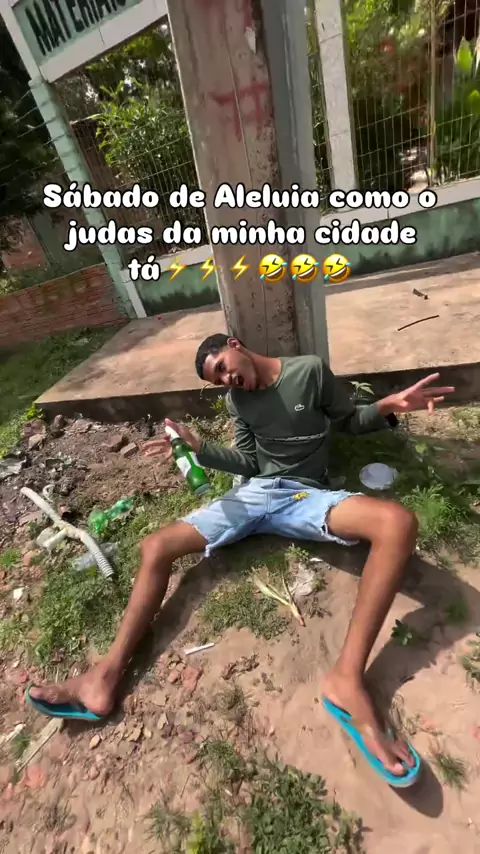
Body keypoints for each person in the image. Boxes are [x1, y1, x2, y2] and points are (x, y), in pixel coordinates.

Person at [28, 334, 454, 781]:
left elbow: (348, 421)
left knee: (397, 524)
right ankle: (105, 676)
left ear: (235, 345)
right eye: (218, 380)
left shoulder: (308, 371)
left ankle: (347, 679)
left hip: (305, 495)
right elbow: (250, 463)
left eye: (223, 367)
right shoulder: (238, 402)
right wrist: (199, 449)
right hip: (255, 496)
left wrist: (388, 405)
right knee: (154, 547)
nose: (227, 379)